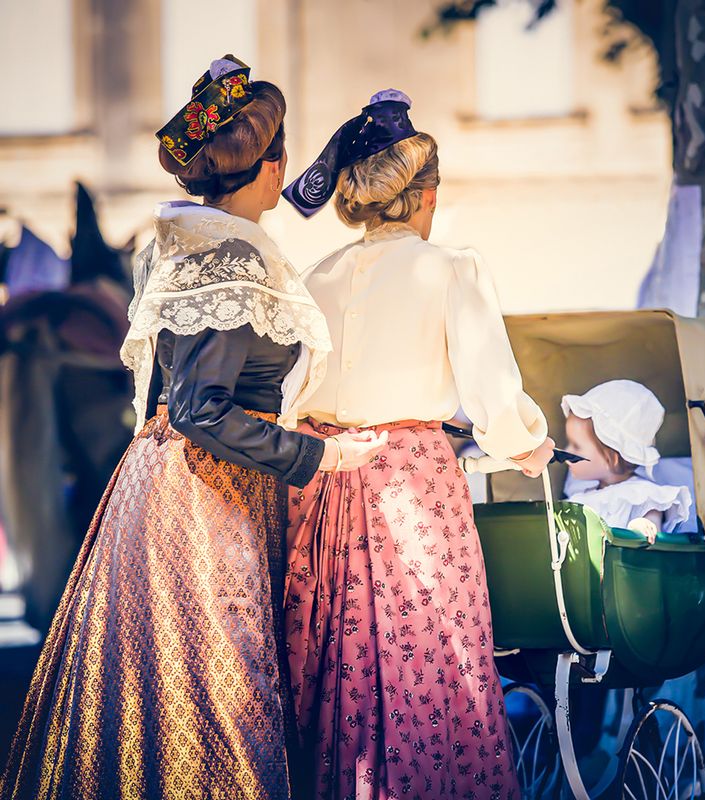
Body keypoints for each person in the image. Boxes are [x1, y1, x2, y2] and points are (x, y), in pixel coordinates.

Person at [0, 56, 384, 800]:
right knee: (216, 697)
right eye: (282, 154)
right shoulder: (229, 255)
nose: (286, 170)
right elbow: (202, 409)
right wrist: (320, 456)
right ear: (269, 167)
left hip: (173, 487)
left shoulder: (175, 246)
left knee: (172, 690)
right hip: (207, 503)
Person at [281, 89, 554, 799]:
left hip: (318, 488)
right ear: (425, 197)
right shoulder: (450, 268)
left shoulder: (315, 279)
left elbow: (289, 400)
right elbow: (495, 399)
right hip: (410, 486)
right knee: (430, 653)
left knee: (332, 660)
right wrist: (530, 445)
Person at [562, 379, 692, 542]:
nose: (567, 452)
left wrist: (643, 525)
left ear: (613, 457)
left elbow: (653, 534)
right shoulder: (581, 497)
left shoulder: (641, 494)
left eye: (576, 446)